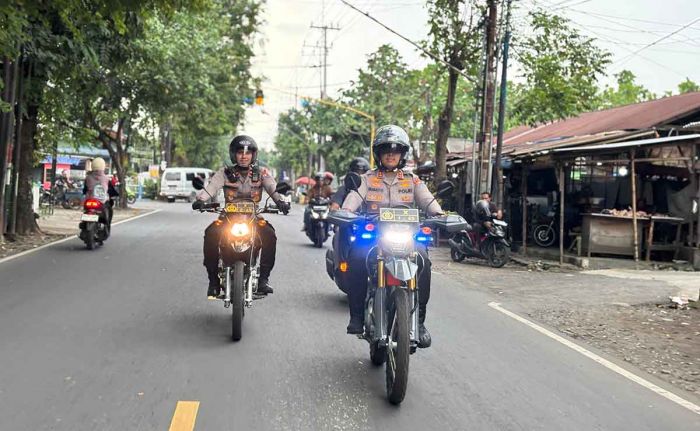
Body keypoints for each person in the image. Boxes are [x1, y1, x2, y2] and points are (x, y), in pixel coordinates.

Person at [340, 125, 443, 348]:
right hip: (375, 235)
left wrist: (441, 215)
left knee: (423, 261)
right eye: (386, 150)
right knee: (356, 258)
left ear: (402, 155)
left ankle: (421, 322)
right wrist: (345, 212)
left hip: (406, 236)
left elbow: (429, 201)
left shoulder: (412, 180)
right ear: (378, 154)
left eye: (395, 151)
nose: (390, 154)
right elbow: (353, 199)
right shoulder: (366, 179)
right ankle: (356, 316)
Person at [193, 135, 290, 298]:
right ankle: (213, 281)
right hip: (228, 217)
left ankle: (263, 280)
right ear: (234, 154)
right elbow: (211, 188)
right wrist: (201, 200)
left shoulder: (262, 173)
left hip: (253, 217)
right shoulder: (224, 173)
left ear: (253, 155)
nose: (244, 156)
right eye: (240, 152)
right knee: (210, 234)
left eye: (248, 153)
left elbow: (273, 188)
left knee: (270, 235)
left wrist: (281, 202)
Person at [83, 157, 118, 235]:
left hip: (89, 200)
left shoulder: (88, 178)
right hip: (102, 202)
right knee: (109, 211)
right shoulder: (106, 178)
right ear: (103, 166)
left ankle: (84, 225)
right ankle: (107, 227)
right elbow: (111, 190)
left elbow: (84, 190)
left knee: (85, 211)